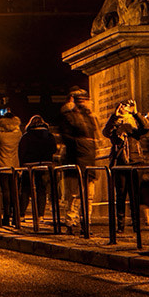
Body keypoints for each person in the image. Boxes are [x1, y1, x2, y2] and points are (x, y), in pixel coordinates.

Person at [102, 100, 149, 231]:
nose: (124, 108)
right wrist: (115, 116)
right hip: (120, 163)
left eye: (126, 106)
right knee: (121, 195)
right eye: (121, 106)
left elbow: (146, 128)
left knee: (135, 194)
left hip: (134, 161)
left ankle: (136, 224)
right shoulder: (115, 126)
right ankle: (121, 225)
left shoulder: (134, 128)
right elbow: (105, 132)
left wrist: (135, 113)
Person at [58, 86, 100, 226]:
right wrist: (82, 143)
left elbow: (96, 135)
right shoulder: (69, 117)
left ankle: (86, 220)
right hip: (76, 158)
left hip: (89, 159)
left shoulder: (90, 117)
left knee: (89, 195)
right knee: (75, 194)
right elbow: (66, 136)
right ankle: (71, 220)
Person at [17, 114, 57, 217]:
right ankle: (40, 215)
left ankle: (21, 214)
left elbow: (21, 151)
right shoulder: (49, 135)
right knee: (41, 189)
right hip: (45, 165)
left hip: (29, 165)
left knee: (25, 189)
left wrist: (21, 165)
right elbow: (53, 149)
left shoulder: (26, 136)